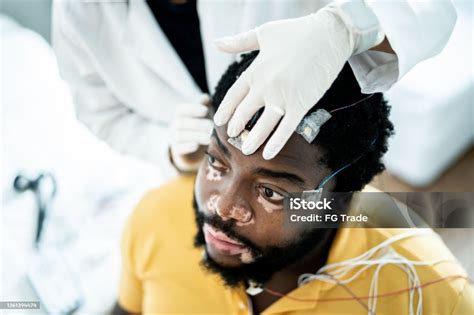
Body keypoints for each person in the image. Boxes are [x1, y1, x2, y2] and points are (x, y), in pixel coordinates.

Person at [113, 53, 473, 314]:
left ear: (341, 202)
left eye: (269, 191)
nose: (221, 206)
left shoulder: (433, 290)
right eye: (217, 163)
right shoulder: (157, 216)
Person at [52, 0, 457, 176]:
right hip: (191, 179)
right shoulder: (80, 12)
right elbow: (100, 112)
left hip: (314, 166)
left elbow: (431, 11)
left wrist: (346, 27)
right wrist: (169, 149)